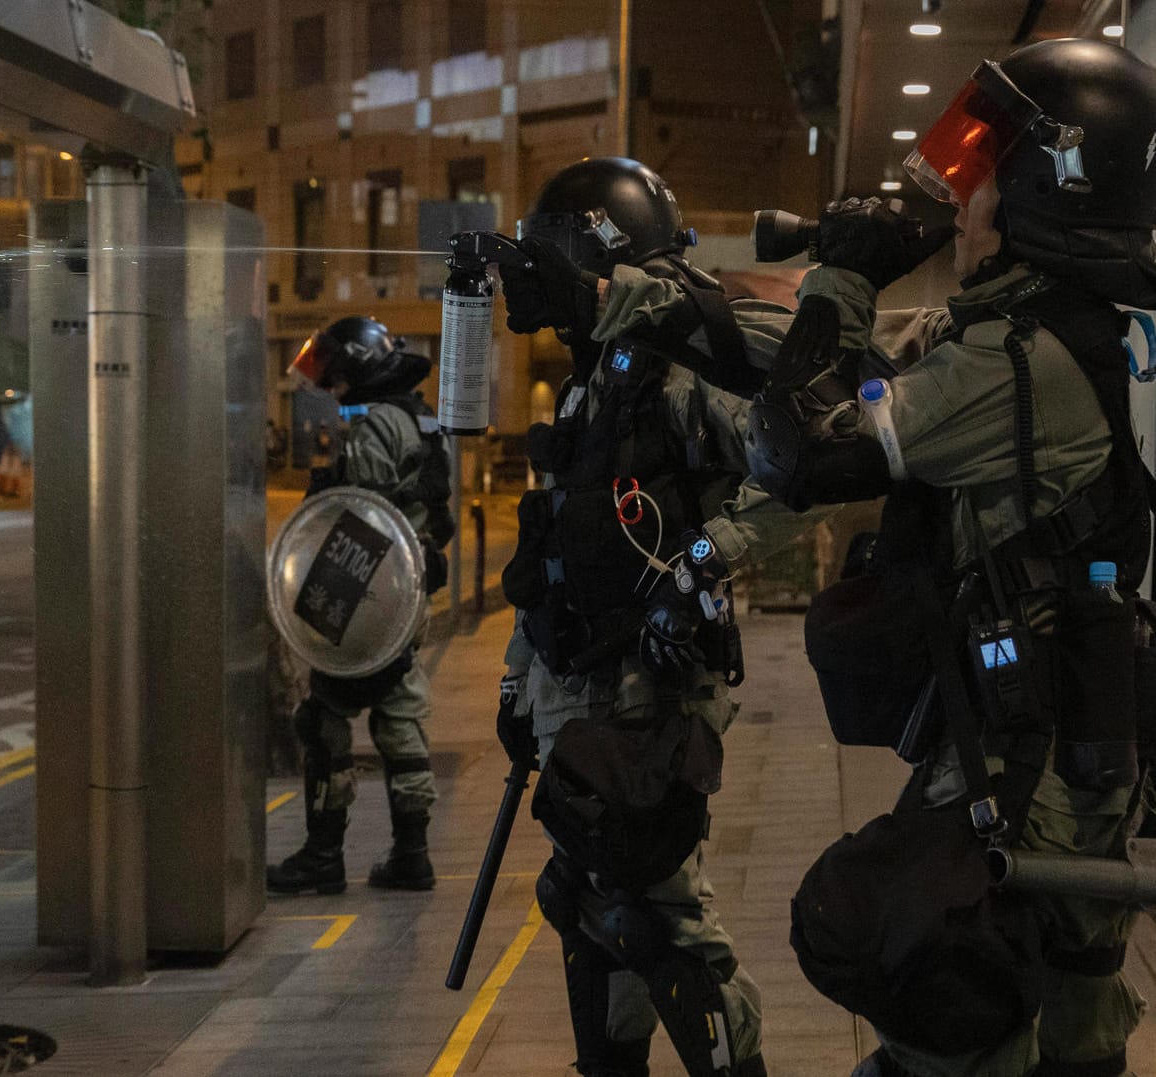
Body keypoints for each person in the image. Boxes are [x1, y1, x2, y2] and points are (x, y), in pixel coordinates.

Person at [733, 38, 1156, 1077]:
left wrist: (840, 271)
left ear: (1039, 191)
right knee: (1074, 1014)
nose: (959, 208)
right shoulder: (1071, 335)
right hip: (1076, 733)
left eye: (980, 183)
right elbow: (881, 395)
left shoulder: (1023, 359)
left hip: (1026, 757)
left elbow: (800, 450)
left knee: (944, 1005)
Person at [491, 157, 836, 1077]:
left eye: (557, 260)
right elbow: (555, 543)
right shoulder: (584, 383)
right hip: (574, 677)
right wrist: (518, 676)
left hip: (651, 680)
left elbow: (795, 477)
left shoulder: (677, 372)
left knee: (658, 910)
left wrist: (702, 556)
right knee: (589, 897)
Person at [266, 316, 455, 894]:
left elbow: (363, 518)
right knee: (400, 713)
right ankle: (412, 852)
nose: (331, 385)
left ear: (359, 365)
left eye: (336, 373)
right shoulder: (423, 419)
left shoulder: (375, 426)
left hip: (366, 594)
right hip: (407, 592)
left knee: (322, 716)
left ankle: (324, 855)